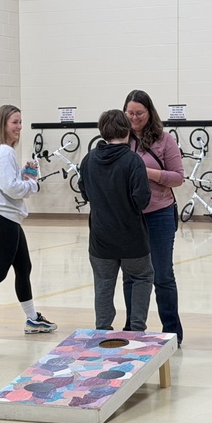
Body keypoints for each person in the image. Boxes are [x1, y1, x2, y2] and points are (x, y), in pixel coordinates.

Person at [0, 105, 57, 340]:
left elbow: (6, 183)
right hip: (3, 219)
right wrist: (32, 185)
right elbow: (11, 188)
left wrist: (24, 174)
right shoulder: (3, 152)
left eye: (20, 122)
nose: (19, 127)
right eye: (14, 123)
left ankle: (32, 318)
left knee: (23, 267)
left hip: (7, 218)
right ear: (3, 125)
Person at [80, 109, 154, 332]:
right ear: (127, 130)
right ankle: (136, 327)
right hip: (132, 237)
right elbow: (142, 199)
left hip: (100, 237)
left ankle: (103, 328)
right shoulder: (133, 161)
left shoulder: (88, 159)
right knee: (142, 276)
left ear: (102, 131)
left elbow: (85, 193)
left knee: (103, 283)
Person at [122, 89, 184, 342]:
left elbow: (178, 177)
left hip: (159, 213)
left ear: (150, 113)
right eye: (130, 113)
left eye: (140, 113)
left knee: (163, 274)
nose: (135, 118)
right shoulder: (120, 139)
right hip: (129, 216)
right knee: (130, 275)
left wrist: (147, 172)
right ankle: (133, 327)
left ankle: (172, 331)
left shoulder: (164, 139)